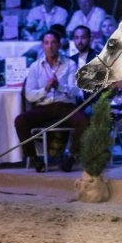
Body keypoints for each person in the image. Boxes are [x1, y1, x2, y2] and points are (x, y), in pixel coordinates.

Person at [14, 31, 90, 173]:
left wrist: (59, 86)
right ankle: (35, 159)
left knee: (84, 121)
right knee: (20, 121)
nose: (50, 46)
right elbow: (29, 95)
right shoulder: (35, 67)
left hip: (65, 106)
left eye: (54, 42)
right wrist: (45, 89)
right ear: (43, 46)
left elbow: (75, 91)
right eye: (46, 43)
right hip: (44, 106)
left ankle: (71, 157)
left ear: (59, 45)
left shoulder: (70, 64)